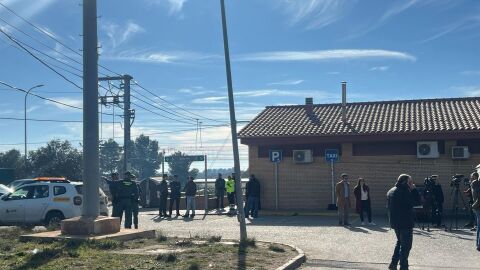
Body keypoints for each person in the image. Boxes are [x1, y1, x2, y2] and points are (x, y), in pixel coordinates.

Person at [387, 174, 421, 270]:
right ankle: (403, 267)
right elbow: (417, 202)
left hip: (395, 223)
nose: (412, 184)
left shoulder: (391, 191)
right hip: (405, 223)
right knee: (406, 247)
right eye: (410, 182)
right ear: (405, 182)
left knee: (400, 243)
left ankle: (393, 264)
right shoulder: (404, 192)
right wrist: (414, 189)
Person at [470, 171, 480, 251]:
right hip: (477, 206)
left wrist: (474, 205)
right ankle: (478, 244)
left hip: (477, 206)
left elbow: (478, 197)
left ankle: (478, 244)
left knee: (479, 226)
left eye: (472, 176)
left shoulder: (475, 184)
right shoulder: (475, 184)